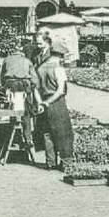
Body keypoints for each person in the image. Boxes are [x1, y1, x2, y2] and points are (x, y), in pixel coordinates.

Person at [31, 29, 74, 169]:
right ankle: (66, 163)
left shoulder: (39, 65)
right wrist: (46, 102)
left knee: (46, 132)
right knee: (63, 132)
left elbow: (35, 87)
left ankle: (50, 162)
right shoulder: (57, 67)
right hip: (56, 103)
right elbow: (61, 90)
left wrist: (40, 102)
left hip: (42, 100)